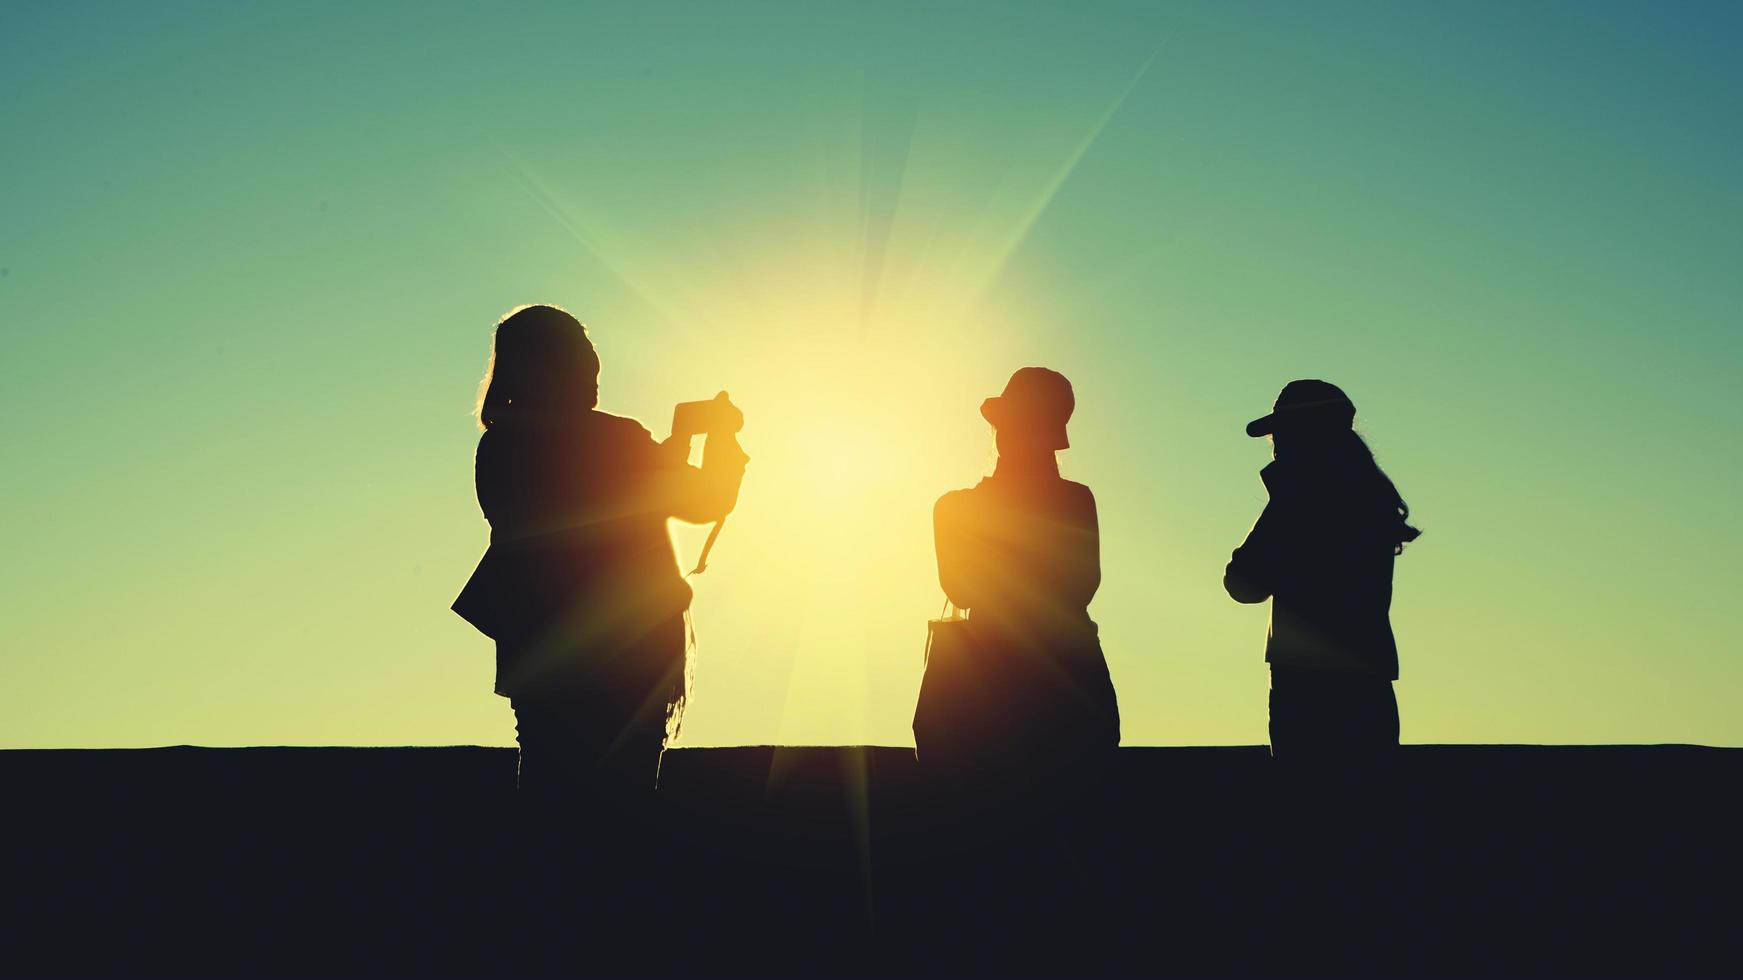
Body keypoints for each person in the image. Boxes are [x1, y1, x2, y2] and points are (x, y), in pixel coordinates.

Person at [452, 304, 748, 804]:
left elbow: (614, 505)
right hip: (628, 655)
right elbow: (701, 500)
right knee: (625, 795)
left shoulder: (498, 446)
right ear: (554, 369)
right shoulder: (611, 438)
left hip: (540, 651)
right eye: (583, 363)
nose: (594, 375)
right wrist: (716, 438)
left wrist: (676, 441)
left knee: (548, 784)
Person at [921, 367, 1120, 792]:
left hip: (989, 690)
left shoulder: (954, 509)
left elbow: (962, 589)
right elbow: (1080, 585)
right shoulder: (1076, 501)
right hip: (1071, 685)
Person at [1224, 380, 1420, 765]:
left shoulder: (1299, 500)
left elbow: (1244, 582)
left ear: (1305, 435)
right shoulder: (1370, 502)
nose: (1275, 444)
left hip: (1305, 687)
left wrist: (1282, 500)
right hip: (1368, 680)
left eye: (1281, 432)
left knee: (1310, 807)